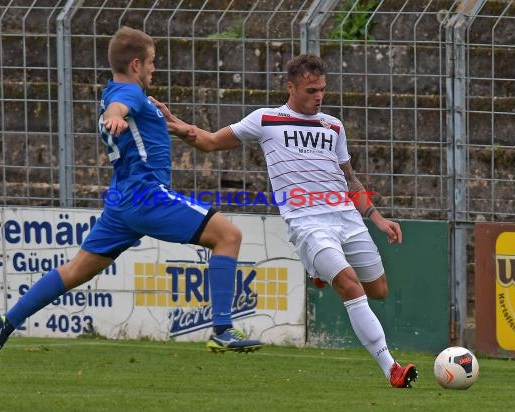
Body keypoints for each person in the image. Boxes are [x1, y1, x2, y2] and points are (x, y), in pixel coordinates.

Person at [0, 26, 263, 371]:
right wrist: (114, 115)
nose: (154, 69)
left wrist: (169, 123)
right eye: (152, 62)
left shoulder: (116, 91)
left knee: (75, 271)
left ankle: (4, 325)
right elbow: (120, 107)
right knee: (228, 236)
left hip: (122, 200)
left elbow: (131, 113)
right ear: (135, 65)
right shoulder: (128, 95)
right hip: (148, 196)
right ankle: (222, 330)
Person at [152, 53, 418, 388]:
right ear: (290, 87)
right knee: (350, 285)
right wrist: (177, 124)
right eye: (311, 90)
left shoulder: (333, 126)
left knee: (378, 290)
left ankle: (318, 271)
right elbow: (209, 142)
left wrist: (377, 218)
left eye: (322, 89)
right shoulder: (266, 119)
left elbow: (350, 180)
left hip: (347, 219)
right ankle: (391, 368)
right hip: (308, 223)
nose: (318, 96)